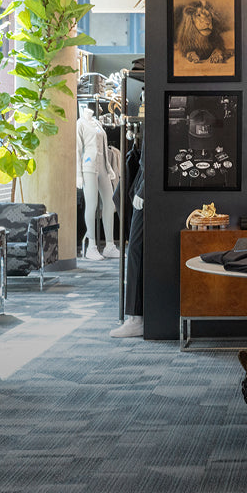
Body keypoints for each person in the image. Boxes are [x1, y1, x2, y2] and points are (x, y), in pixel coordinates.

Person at [110, 139, 145, 338]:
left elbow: (156, 149)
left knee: (135, 249)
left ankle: (135, 318)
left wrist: (143, 188)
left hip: (147, 180)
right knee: (135, 249)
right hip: (144, 177)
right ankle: (135, 316)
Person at [76, 106, 119, 261]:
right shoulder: (80, 123)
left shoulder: (97, 123)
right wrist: (78, 174)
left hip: (102, 167)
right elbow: (77, 149)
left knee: (110, 203)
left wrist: (109, 168)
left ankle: (109, 246)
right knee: (92, 204)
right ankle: (91, 246)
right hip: (88, 166)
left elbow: (104, 148)